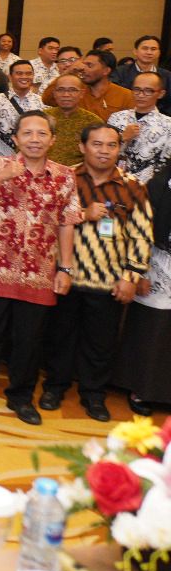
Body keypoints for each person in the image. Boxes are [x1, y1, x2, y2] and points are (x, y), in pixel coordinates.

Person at [0, 111, 80, 425]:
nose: (35, 139)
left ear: (52, 140)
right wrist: (1, 179)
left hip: (40, 272)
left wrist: (65, 269)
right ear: (15, 139)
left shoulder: (65, 176)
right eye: (27, 133)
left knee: (30, 340)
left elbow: (67, 223)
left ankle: (22, 397)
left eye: (42, 134)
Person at [41, 124, 151, 423]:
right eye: (97, 144)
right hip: (66, 277)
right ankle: (55, 386)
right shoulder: (64, 178)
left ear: (119, 148)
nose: (104, 151)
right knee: (59, 337)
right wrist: (82, 214)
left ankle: (93, 395)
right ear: (82, 146)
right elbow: (46, 219)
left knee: (100, 343)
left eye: (111, 145)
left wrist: (131, 276)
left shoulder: (133, 186)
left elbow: (141, 235)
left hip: (108, 280)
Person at [115, 154, 171, 414]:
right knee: (152, 329)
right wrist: (142, 270)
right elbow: (143, 229)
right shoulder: (160, 182)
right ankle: (142, 389)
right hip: (159, 261)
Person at [109, 72, 171, 182]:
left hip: (148, 188)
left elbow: (165, 166)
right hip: (113, 182)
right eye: (137, 89)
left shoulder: (167, 125)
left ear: (161, 93)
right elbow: (102, 153)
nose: (141, 95)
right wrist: (122, 138)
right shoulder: (117, 118)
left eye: (148, 91)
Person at [46, 49, 132, 121]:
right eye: (84, 64)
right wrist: (68, 72)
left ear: (106, 71)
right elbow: (47, 99)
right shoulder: (77, 90)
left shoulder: (126, 95)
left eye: (89, 65)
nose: (83, 69)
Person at [0, 59, 46, 158]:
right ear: (10, 77)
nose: (24, 77)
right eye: (19, 73)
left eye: (28, 74)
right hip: (3, 161)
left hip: (34, 160)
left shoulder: (42, 103)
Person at [44, 74, 103, 168]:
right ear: (54, 93)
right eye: (61, 90)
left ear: (82, 94)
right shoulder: (42, 118)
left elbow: (99, 155)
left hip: (79, 175)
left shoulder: (93, 122)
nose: (66, 95)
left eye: (72, 90)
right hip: (44, 173)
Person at [111, 35, 171, 115]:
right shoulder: (120, 72)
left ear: (159, 53)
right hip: (125, 117)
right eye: (145, 48)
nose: (149, 52)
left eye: (153, 49)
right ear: (135, 51)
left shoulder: (167, 75)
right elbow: (115, 97)